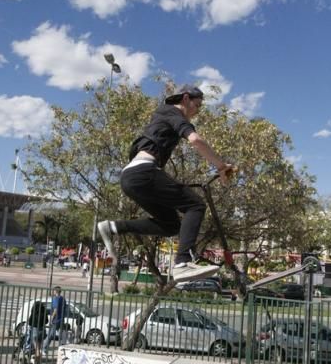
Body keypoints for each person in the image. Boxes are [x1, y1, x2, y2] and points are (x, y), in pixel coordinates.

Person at [98, 84, 234, 283]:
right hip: (142, 173)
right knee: (195, 205)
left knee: (171, 225)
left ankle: (114, 227)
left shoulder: (163, 116)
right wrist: (221, 166)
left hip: (133, 178)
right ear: (186, 99)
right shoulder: (172, 112)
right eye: (197, 106)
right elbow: (195, 140)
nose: (197, 112)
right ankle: (182, 263)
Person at [42, 286, 67, 357]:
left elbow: (55, 310)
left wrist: (51, 318)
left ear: (55, 291)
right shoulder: (63, 299)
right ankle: (61, 350)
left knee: (50, 335)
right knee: (61, 336)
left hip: (56, 320)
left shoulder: (56, 299)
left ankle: (44, 348)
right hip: (61, 319)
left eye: (54, 291)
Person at [25, 300, 48, 364]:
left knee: (37, 348)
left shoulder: (34, 313)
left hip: (35, 331)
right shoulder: (44, 312)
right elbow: (46, 321)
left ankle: (37, 363)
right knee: (39, 348)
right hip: (42, 330)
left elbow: (30, 322)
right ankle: (38, 362)